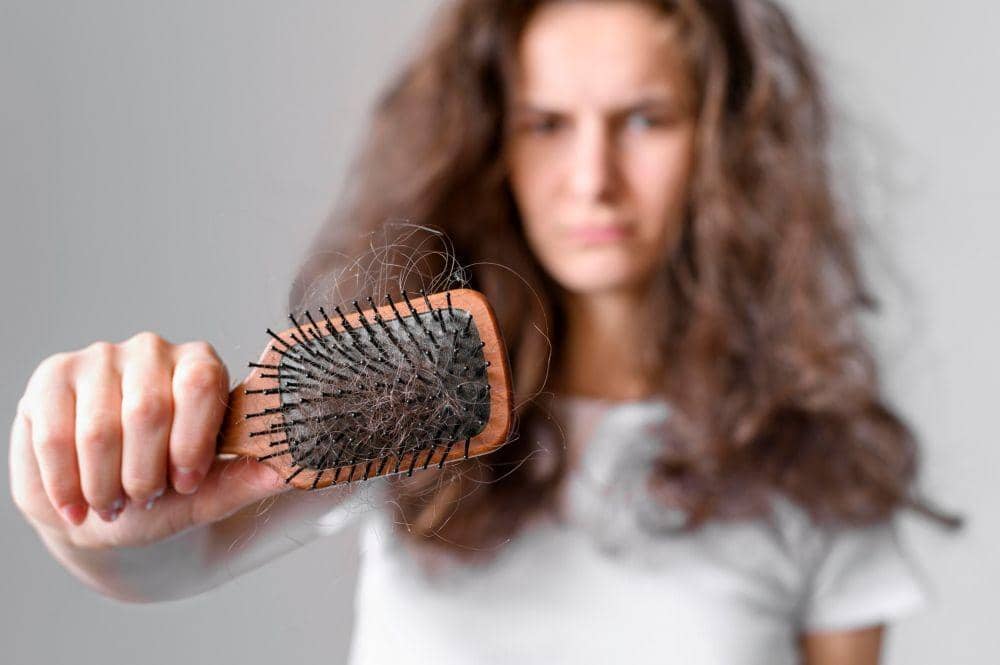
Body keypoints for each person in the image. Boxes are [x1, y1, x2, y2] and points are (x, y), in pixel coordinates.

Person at [9, 1, 957, 663]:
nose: (592, 177)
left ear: (721, 143)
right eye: (547, 123)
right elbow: (167, 558)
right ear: (495, 141)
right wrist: (91, 500)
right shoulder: (410, 400)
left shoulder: (823, 472)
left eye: (644, 120)